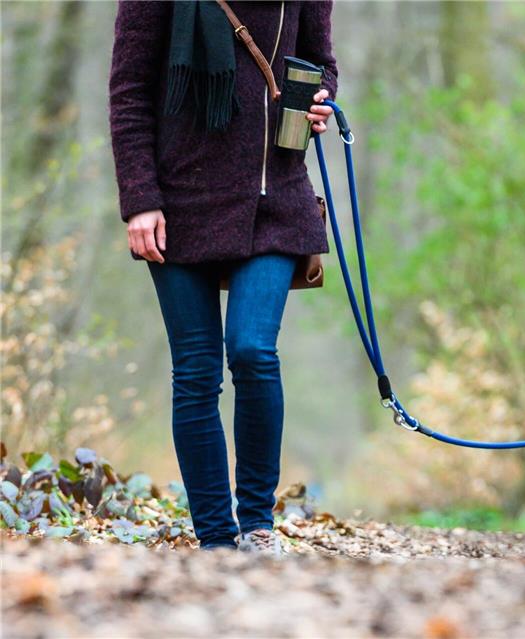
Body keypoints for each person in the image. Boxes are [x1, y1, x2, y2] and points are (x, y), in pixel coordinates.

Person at [108, 0, 338, 555]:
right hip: (178, 202)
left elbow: (320, 63)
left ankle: (257, 526)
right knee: (196, 370)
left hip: (273, 200)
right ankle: (215, 539)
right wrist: (140, 199)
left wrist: (321, 101)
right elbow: (129, 92)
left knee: (253, 351)